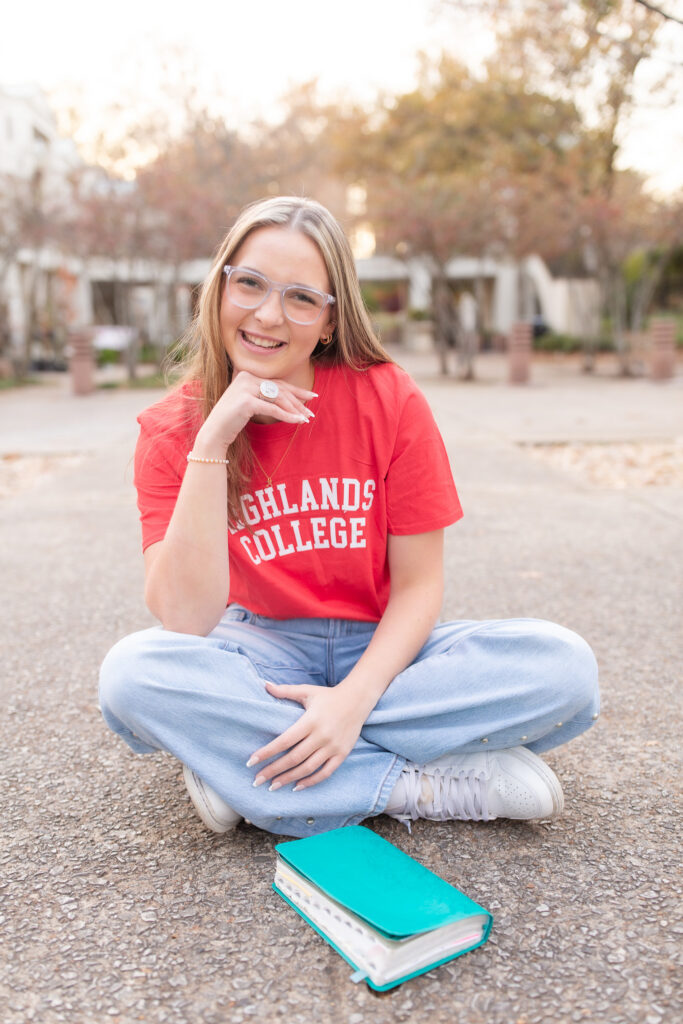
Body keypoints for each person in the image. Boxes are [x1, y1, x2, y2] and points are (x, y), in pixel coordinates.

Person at [99, 196, 599, 839]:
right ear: (218, 287)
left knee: (564, 665)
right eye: (249, 283)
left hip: (384, 644)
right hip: (256, 650)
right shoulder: (174, 429)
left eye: (302, 298)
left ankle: (244, 763)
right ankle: (413, 786)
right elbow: (184, 620)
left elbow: (419, 585)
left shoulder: (387, 398)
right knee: (133, 676)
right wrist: (214, 439)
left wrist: (352, 702)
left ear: (331, 321)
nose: (267, 314)